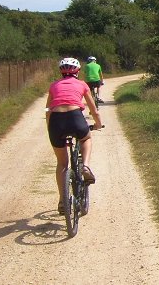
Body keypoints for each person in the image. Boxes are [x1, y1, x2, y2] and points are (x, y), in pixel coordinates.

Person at [46, 57, 102, 214]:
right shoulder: (82, 84)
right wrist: (97, 124)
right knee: (86, 138)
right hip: (75, 117)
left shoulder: (54, 86)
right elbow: (94, 110)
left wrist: (50, 128)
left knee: (62, 164)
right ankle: (85, 166)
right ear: (77, 71)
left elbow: (48, 111)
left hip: (56, 122)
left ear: (61, 72)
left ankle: (63, 200)